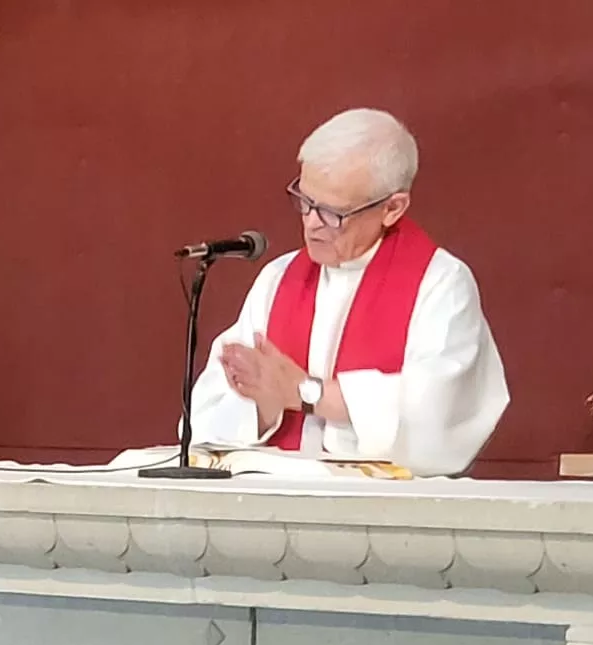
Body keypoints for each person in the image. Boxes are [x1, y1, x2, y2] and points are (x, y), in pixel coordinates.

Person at [186, 108, 508, 477]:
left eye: (332, 212)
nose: (312, 224)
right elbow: (207, 416)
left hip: (381, 503)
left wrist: (306, 393)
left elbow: (439, 416)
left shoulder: (439, 283)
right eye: (305, 201)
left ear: (392, 208)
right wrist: (262, 402)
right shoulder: (279, 278)